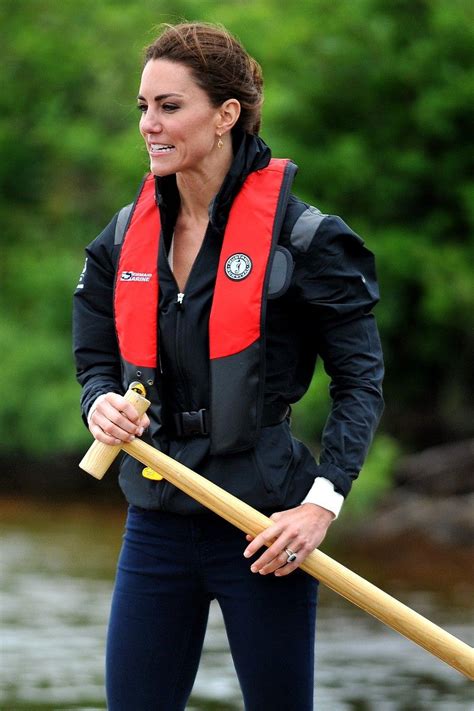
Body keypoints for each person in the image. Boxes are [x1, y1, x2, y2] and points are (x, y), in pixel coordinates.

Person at [73, 21, 384, 711]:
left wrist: (320, 504)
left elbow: (361, 380)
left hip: (264, 528)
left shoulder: (307, 240)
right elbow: (94, 352)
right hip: (155, 521)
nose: (150, 124)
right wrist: (98, 400)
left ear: (226, 114)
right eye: (143, 108)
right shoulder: (123, 237)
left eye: (169, 106)